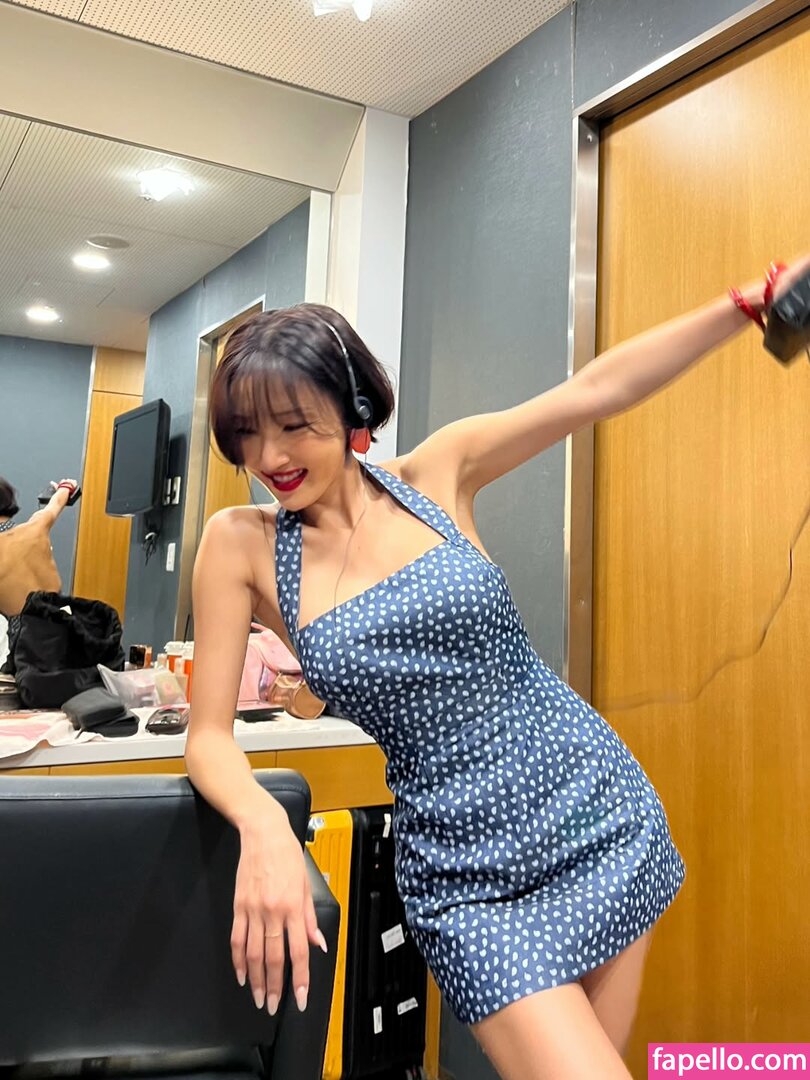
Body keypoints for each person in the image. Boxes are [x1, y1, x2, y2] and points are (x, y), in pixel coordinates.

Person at [185, 254, 809, 1080]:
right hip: (466, 876)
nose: (270, 455)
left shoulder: (437, 473)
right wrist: (264, 821)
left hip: (595, 809)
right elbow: (208, 737)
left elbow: (597, 391)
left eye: (294, 425)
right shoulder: (242, 545)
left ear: (353, 407)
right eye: (247, 434)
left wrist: (744, 304)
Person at [0, 478, 80, 620]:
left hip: (26, 631)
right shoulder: (37, 526)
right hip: (66, 623)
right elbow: (57, 501)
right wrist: (66, 486)